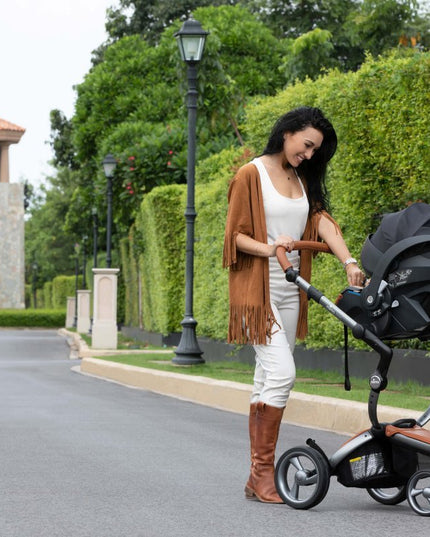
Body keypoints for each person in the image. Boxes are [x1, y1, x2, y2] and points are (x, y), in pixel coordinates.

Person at [222, 106, 364, 504]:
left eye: (315, 150)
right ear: (287, 132)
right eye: (306, 146)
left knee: (266, 380)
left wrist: (348, 261)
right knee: (282, 373)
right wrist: (270, 248)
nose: (309, 155)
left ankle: (256, 478)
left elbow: (321, 221)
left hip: (292, 287)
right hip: (257, 290)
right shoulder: (251, 174)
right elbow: (234, 237)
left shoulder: (303, 179)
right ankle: (263, 473)